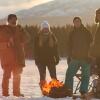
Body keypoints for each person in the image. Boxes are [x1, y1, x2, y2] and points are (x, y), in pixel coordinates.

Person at [0, 14, 29, 97]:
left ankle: (17, 93)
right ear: (8, 20)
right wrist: (7, 44)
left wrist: (22, 30)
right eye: (13, 19)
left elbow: (27, 38)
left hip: (18, 57)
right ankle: (5, 94)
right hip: (7, 58)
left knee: (17, 77)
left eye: (16, 19)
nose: (14, 21)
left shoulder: (19, 29)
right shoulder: (3, 30)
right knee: (6, 77)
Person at [64, 17, 93, 98]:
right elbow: (69, 46)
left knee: (86, 75)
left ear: (81, 22)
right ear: (73, 23)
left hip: (85, 58)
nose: (77, 23)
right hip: (75, 58)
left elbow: (91, 45)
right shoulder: (72, 33)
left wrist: (89, 55)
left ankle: (83, 91)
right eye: (75, 22)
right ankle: (68, 90)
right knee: (69, 74)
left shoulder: (86, 32)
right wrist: (69, 56)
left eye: (78, 21)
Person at [34, 21, 59, 94]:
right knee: (42, 76)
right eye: (44, 28)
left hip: (50, 59)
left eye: (47, 28)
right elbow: (35, 49)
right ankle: (44, 91)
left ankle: (55, 90)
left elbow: (55, 49)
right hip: (41, 60)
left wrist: (57, 57)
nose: (46, 29)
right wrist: (36, 58)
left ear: (49, 28)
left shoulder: (52, 36)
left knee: (53, 76)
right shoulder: (37, 37)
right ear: (42, 29)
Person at [90, 8, 100, 98]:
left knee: (96, 71)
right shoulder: (98, 26)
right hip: (96, 55)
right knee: (95, 72)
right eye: (97, 14)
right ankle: (96, 90)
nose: (99, 16)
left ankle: (97, 91)